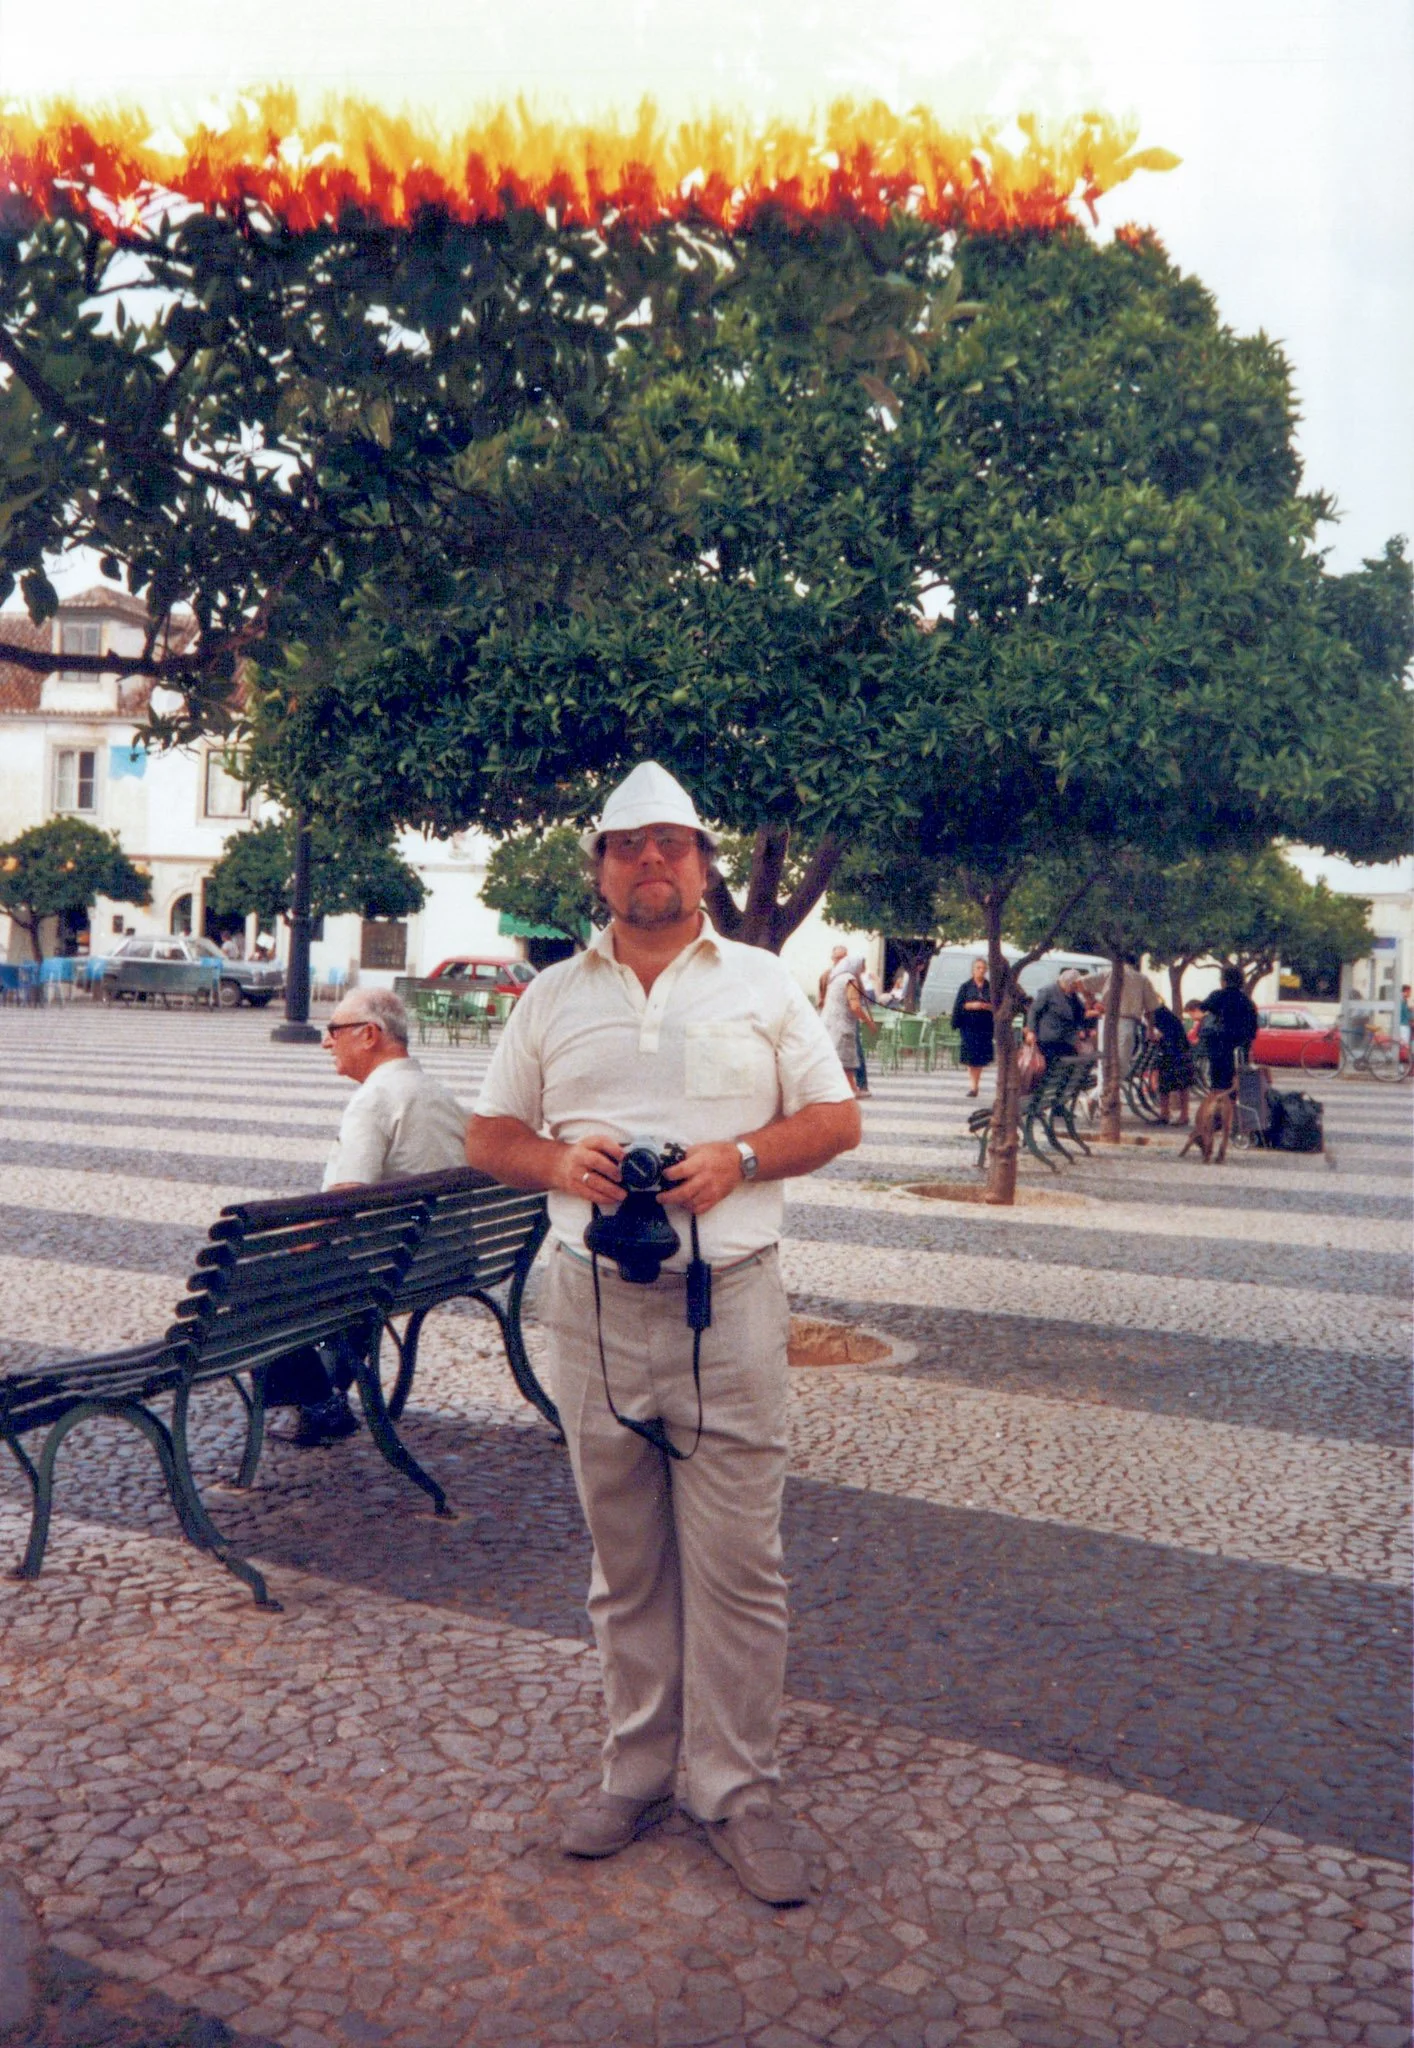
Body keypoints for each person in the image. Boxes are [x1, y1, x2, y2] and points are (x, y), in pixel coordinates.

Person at [466, 761, 860, 1906]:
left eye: (673, 843)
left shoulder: (762, 982)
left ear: (701, 861)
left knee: (740, 1565)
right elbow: (490, 1131)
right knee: (624, 1560)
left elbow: (835, 1118)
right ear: (598, 865)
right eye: (628, 843)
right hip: (588, 1308)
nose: (652, 860)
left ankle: (734, 1786)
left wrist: (736, 1157)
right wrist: (554, 1160)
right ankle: (636, 1766)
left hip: (729, 1301)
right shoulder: (549, 996)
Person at [265, 988, 468, 1447]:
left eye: (333, 1030)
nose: (325, 1042)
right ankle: (329, 1390)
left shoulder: (375, 1098)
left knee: (260, 1280)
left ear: (369, 1035)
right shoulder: (435, 1091)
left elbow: (343, 1200)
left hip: (389, 1270)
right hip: (443, 1261)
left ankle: (320, 1403)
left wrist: (285, 1246)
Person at [1199, 966, 1259, 1092]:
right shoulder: (1247, 1001)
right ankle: (1233, 1109)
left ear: (1224, 981)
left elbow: (1203, 1007)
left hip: (1220, 1049)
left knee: (1217, 1086)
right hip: (1240, 1051)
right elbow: (1253, 1030)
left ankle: (1219, 1109)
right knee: (1236, 1087)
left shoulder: (1217, 995)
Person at [821, 952, 870, 1097]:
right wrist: (868, 1021)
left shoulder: (835, 978)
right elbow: (855, 1005)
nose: (864, 968)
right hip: (844, 1025)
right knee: (847, 1059)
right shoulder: (850, 980)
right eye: (862, 964)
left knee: (839, 1057)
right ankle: (853, 1090)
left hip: (830, 1023)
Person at [1025, 968, 1087, 1072]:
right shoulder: (1048, 991)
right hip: (1049, 1038)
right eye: (1074, 987)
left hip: (1067, 1038)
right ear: (1067, 983)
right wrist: (1031, 1031)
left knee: (1067, 1068)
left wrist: (1079, 1028)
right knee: (1052, 1069)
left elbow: (1079, 1011)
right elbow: (1034, 1010)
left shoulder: (1072, 995)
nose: (1075, 989)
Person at [950, 957, 994, 1097]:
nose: (981, 971)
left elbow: (997, 1006)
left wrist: (987, 1006)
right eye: (978, 968)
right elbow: (958, 1005)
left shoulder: (990, 987)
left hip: (984, 1026)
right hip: (969, 1026)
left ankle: (976, 1084)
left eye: (983, 968)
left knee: (979, 1057)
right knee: (970, 1056)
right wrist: (971, 1005)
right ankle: (973, 1086)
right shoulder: (965, 987)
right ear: (973, 970)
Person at [1149, 1001, 1195, 1125]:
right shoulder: (1163, 1012)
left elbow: (1153, 1033)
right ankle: (1169, 1114)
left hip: (1174, 1050)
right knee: (1175, 1084)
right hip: (1177, 1049)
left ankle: (1175, 1115)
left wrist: (1154, 1036)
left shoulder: (1154, 1012)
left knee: (1176, 1083)